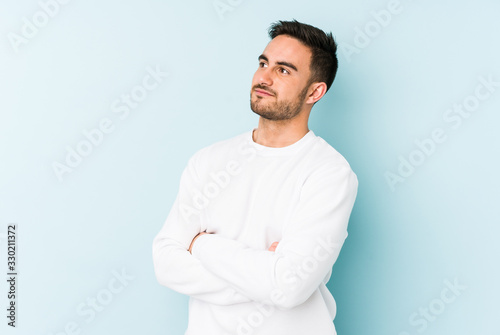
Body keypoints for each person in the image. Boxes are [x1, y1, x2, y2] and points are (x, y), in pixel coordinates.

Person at [152, 19, 358, 335]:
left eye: (283, 70)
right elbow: (166, 264)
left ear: (315, 91)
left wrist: (203, 245)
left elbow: (288, 287)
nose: (264, 76)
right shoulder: (209, 161)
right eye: (263, 63)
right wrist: (267, 273)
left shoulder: (329, 173)